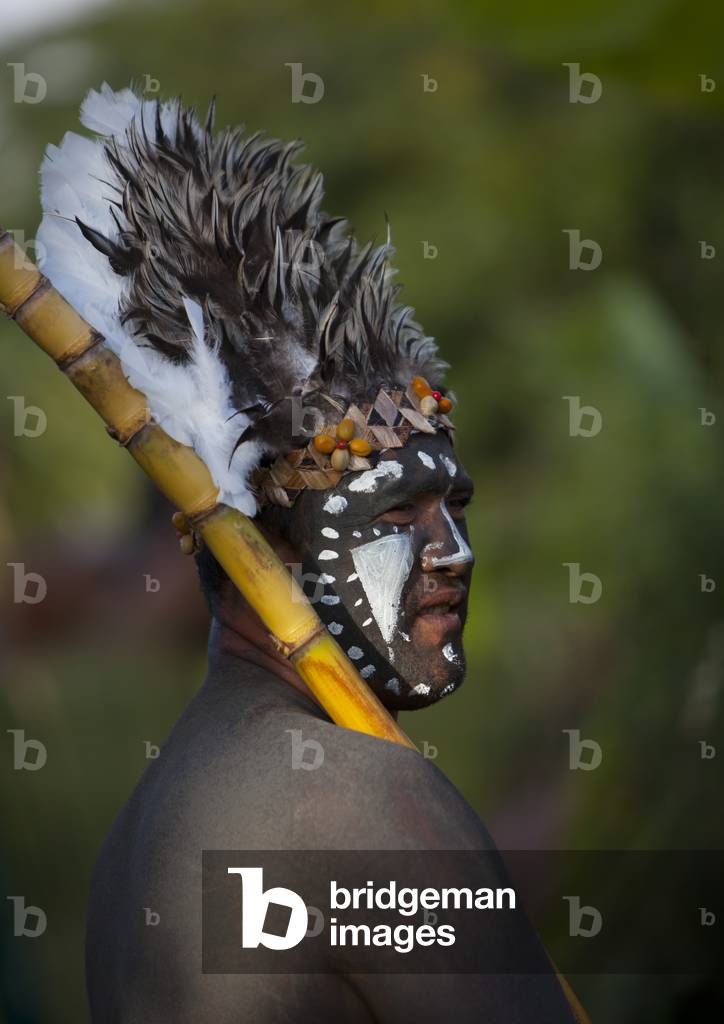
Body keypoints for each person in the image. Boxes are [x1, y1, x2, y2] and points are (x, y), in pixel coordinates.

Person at [37, 84, 579, 1022]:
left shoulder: (141, 838)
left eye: (456, 505)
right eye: (399, 512)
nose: (452, 551)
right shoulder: (360, 808)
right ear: (267, 548)